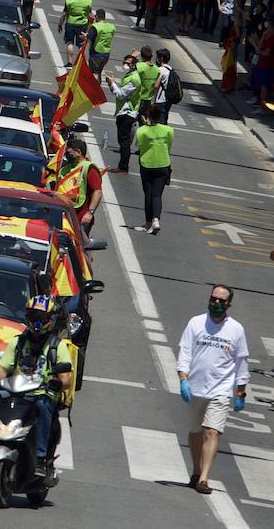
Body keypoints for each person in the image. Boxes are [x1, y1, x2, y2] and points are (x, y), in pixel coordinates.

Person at [0, 295, 74, 478]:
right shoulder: (18, 342)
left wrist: (57, 383)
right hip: (17, 392)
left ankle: (40, 458)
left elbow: (66, 380)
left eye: (42, 318)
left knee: (42, 406)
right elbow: (4, 368)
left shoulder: (57, 347)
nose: (37, 322)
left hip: (42, 394)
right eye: (34, 316)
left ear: (50, 320)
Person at [176, 284, 250, 495]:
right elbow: (185, 353)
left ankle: (204, 479)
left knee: (212, 431)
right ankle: (196, 472)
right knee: (195, 432)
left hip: (221, 390)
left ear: (229, 304)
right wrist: (183, 378)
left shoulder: (236, 329)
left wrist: (240, 393)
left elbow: (241, 363)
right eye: (213, 299)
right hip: (195, 389)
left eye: (221, 301)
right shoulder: (196, 323)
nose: (216, 303)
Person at [133, 105, 173, 235]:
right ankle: (155, 220)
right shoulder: (168, 130)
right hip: (163, 164)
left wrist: (145, 125)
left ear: (146, 117)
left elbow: (137, 145)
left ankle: (148, 223)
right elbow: (169, 146)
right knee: (157, 195)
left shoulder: (142, 131)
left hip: (147, 165)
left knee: (148, 194)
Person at [104, 53, 142, 174]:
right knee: (122, 141)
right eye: (124, 63)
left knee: (124, 142)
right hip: (124, 112)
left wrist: (112, 83)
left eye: (128, 63)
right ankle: (123, 165)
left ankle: (123, 167)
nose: (125, 65)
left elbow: (121, 95)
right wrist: (112, 85)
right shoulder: (130, 75)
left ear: (134, 65)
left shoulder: (134, 79)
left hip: (127, 113)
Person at [56, 136, 102, 231]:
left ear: (78, 152)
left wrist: (90, 213)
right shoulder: (65, 168)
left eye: (69, 153)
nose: (66, 155)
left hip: (80, 216)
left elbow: (97, 192)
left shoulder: (88, 168)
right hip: (62, 213)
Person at [57, 0, 92, 65]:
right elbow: (90, 15)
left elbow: (64, 14)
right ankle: (80, 62)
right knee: (81, 45)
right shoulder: (88, 1)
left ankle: (69, 62)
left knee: (70, 43)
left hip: (70, 24)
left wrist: (60, 24)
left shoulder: (69, 0)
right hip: (83, 25)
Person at [85, 7, 114, 76]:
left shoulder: (95, 26)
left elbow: (89, 38)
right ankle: (97, 86)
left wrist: (85, 36)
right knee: (99, 73)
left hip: (96, 53)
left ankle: (94, 86)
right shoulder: (111, 26)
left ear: (97, 16)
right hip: (106, 53)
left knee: (94, 73)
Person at [134, 44, 161, 115]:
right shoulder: (157, 70)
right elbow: (156, 87)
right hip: (148, 100)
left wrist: (133, 57)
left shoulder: (139, 66)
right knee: (143, 122)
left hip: (138, 99)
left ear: (142, 56)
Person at [153, 47, 174, 124]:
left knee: (159, 121)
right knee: (164, 118)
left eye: (157, 57)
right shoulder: (170, 69)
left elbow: (156, 86)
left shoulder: (161, 70)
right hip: (168, 99)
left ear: (161, 58)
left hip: (160, 99)